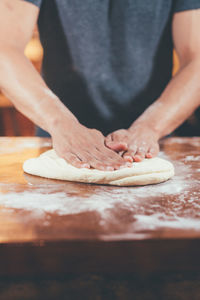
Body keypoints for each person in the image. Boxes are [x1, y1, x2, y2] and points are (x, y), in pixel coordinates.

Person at [0, 0, 200, 171]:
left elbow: (196, 58)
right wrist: (61, 124)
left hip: (151, 143)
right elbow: (5, 47)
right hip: (60, 141)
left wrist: (151, 126)